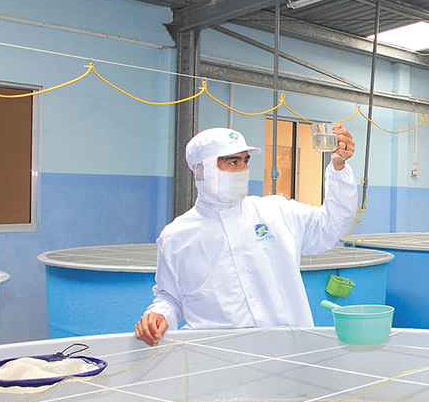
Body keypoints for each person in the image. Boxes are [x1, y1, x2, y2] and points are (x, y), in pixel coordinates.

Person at [134, 123, 358, 345]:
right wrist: (160, 315)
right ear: (202, 170)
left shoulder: (276, 212)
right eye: (232, 161)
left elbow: (330, 225)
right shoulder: (177, 236)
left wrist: (338, 168)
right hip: (218, 357)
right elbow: (171, 297)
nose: (242, 169)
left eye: (245, 160)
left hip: (287, 351)